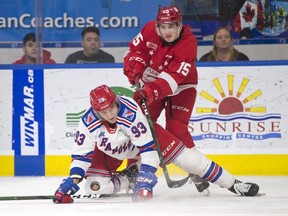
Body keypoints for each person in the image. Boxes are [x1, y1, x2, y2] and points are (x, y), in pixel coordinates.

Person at [123, 5, 259, 197]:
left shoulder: (188, 43)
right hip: (150, 83)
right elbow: (135, 50)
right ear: (157, 26)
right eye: (163, 26)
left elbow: (171, 81)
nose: (167, 31)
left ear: (180, 26)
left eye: (172, 26)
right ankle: (132, 171)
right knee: (140, 124)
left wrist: (150, 91)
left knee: (176, 128)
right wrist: (134, 66)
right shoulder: (148, 29)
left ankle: (197, 169)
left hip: (181, 86)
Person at [53, 85, 260, 204]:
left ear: (115, 101)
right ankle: (129, 176)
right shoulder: (87, 122)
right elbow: (81, 156)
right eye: (103, 112)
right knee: (94, 187)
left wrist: (147, 178)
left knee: (190, 160)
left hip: (144, 142)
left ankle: (233, 183)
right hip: (111, 150)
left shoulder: (130, 111)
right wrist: (72, 181)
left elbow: (148, 149)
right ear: (94, 110)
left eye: (111, 108)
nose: (110, 114)